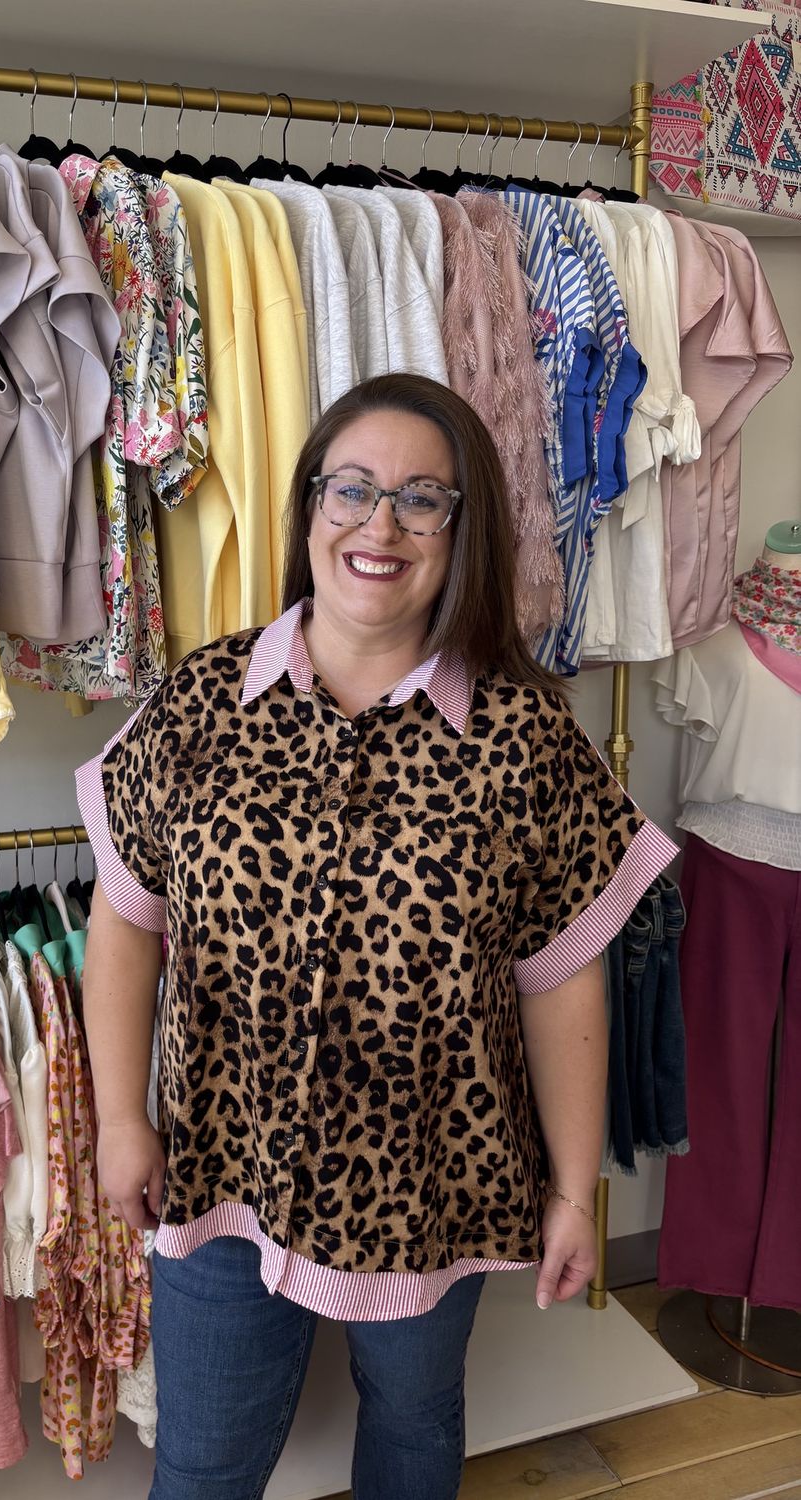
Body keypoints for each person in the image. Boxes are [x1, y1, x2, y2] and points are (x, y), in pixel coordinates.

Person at [76, 375, 678, 1500]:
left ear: (464, 531)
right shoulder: (202, 701)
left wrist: (569, 1192)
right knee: (204, 1465)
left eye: (420, 500)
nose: (379, 524)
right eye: (349, 489)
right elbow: (127, 920)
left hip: (434, 1186)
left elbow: (561, 983)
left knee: (411, 1430)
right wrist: (119, 1121)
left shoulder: (526, 737)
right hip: (221, 1163)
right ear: (310, 508)